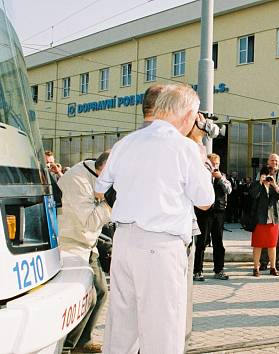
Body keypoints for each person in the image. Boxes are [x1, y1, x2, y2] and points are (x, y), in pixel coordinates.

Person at [94, 83, 214, 354]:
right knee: (162, 329)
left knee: (122, 326)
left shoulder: (125, 142)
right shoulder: (185, 148)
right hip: (160, 246)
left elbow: (100, 189)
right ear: (187, 116)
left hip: (123, 241)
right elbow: (206, 201)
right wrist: (199, 151)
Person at [58, 152, 112, 353]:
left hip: (87, 244)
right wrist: (108, 203)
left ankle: (83, 341)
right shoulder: (78, 180)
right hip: (70, 244)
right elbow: (89, 220)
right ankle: (66, 346)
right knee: (83, 298)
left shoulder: (98, 177)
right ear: (105, 170)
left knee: (101, 292)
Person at [193, 153, 231, 281]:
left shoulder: (223, 176)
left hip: (219, 212)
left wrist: (220, 178)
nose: (215, 166)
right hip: (204, 212)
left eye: (217, 164)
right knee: (201, 242)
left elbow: (229, 190)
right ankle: (197, 271)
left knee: (218, 242)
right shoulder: (201, 176)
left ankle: (219, 270)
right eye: (212, 163)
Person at [248, 166, 279, 276]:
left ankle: (273, 268)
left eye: (270, 175)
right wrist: (260, 183)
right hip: (259, 220)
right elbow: (253, 195)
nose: (268, 177)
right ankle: (255, 268)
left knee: (272, 245)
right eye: (266, 175)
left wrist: (274, 185)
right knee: (257, 245)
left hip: (273, 219)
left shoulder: (274, 185)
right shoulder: (256, 185)